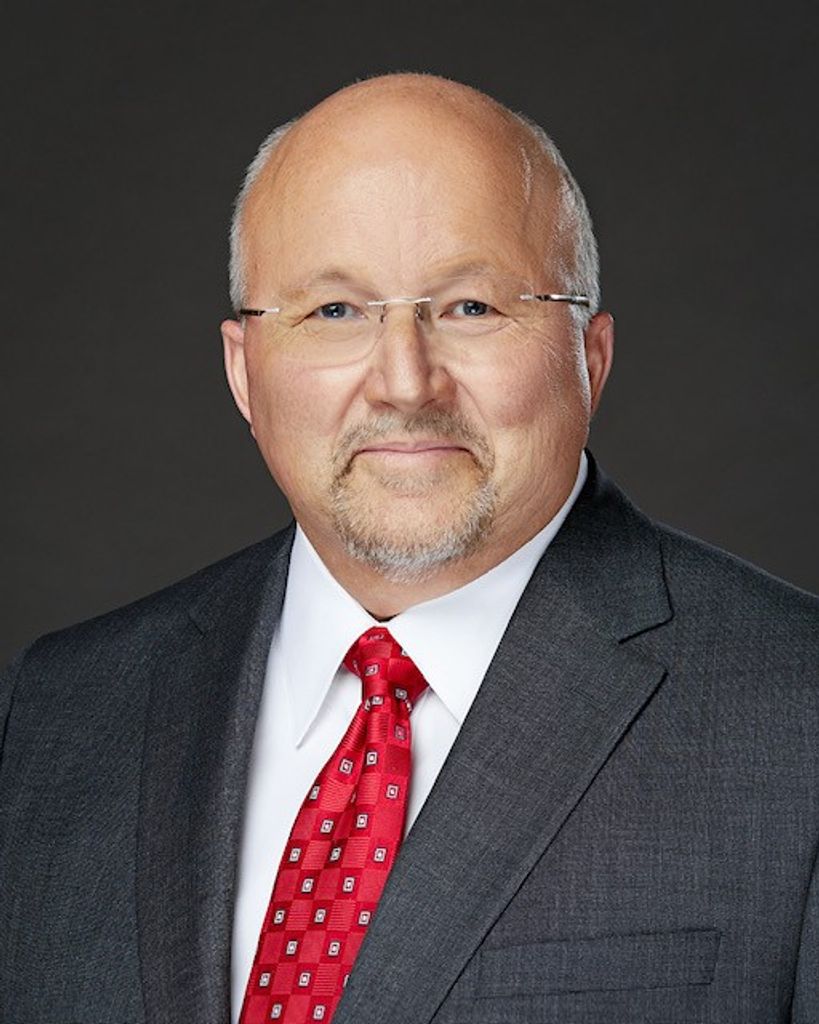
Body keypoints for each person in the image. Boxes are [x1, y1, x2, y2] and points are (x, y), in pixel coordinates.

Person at [1, 73, 816, 1024]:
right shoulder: (52, 717)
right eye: (333, 311)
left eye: (470, 306)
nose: (404, 381)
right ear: (242, 372)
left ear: (588, 359)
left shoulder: (794, 721)